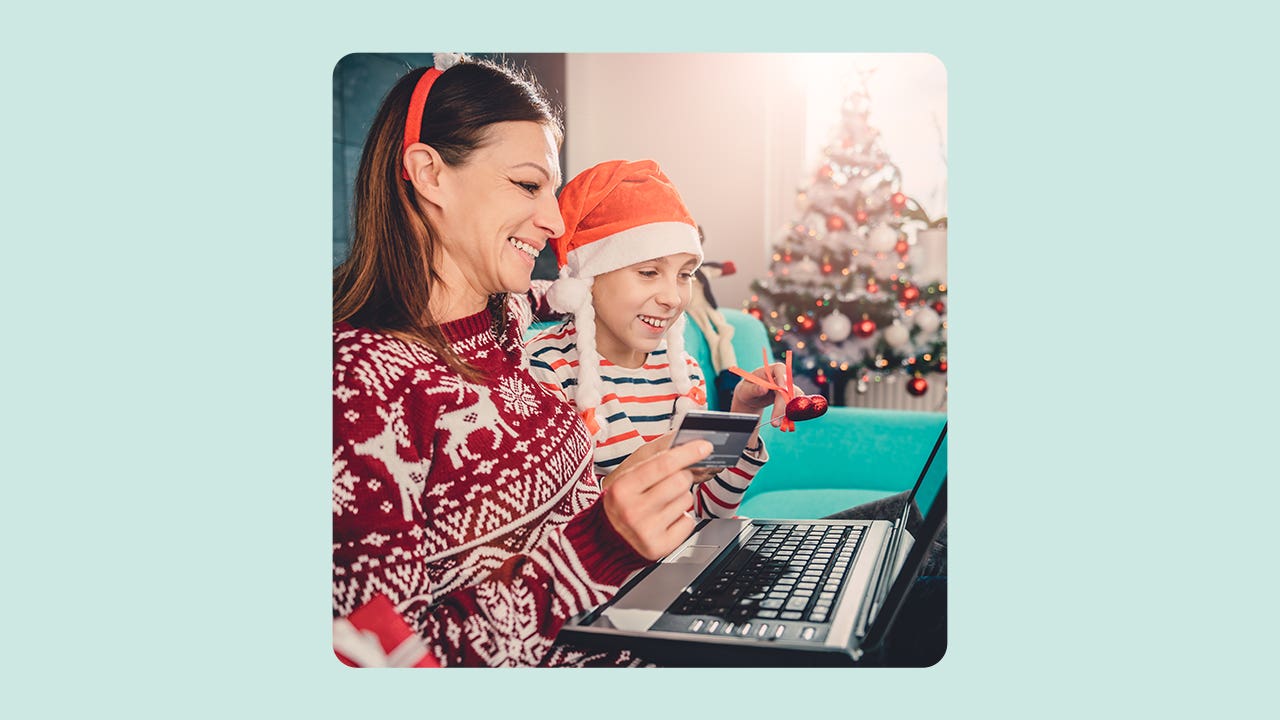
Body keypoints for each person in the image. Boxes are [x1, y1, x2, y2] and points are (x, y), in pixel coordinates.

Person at [332, 55, 714, 668]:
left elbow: (595, 294)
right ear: (429, 174)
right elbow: (393, 662)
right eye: (528, 185)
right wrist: (601, 545)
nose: (555, 220)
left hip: (646, 623)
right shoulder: (359, 383)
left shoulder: (508, 316)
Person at [525, 159, 788, 517]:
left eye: (683, 275)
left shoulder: (684, 374)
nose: (673, 298)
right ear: (589, 278)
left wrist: (744, 414)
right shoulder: (545, 370)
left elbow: (704, 513)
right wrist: (642, 470)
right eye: (649, 272)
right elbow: (552, 524)